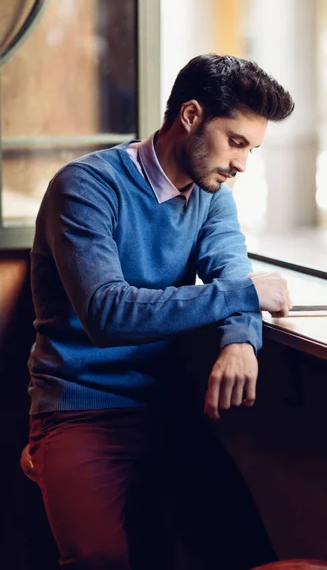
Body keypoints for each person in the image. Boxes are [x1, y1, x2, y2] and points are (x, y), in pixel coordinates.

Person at [27, 54, 294, 569]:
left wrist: (241, 337)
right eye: (236, 142)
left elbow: (234, 275)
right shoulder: (85, 187)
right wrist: (244, 298)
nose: (242, 164)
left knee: (248, 549)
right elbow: (108, 313)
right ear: (190, 116)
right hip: (78, 410)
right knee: (98, 559)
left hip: (167, 407)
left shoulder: (213, 195)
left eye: (252, 149)